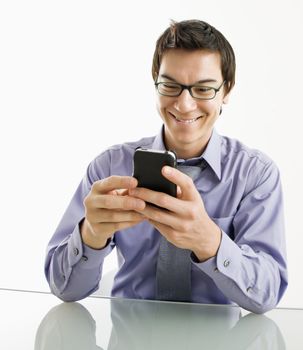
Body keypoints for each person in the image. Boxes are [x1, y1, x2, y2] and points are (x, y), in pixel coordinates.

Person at [45, 19, 288, 314]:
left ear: (227, 91)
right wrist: (90, 235)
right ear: (155, 83)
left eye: (203, 89)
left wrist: (209, 241)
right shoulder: (110, 166)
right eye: (170, 85)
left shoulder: (256, 175)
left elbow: (268, 294)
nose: (184, 104)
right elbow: (64, 289)